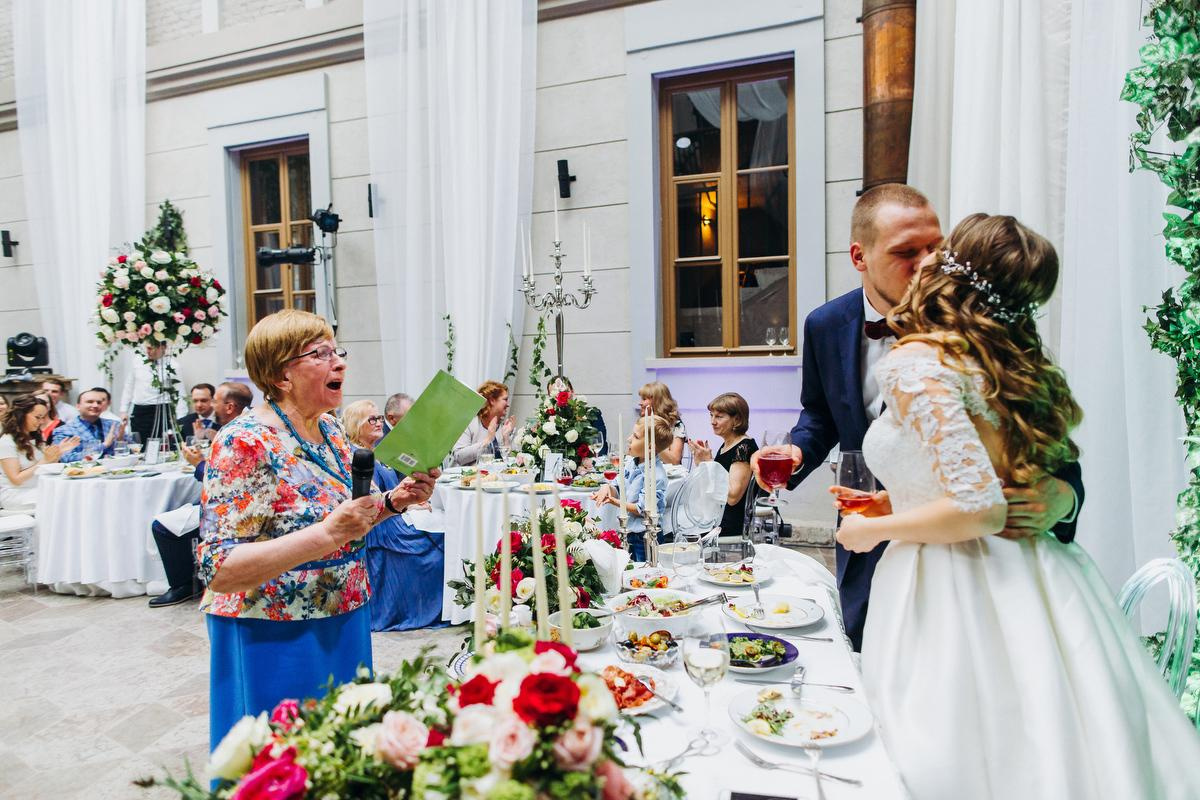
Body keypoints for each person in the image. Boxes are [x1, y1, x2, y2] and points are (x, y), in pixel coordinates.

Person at [835, 214, 1200, 798]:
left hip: (952, 587)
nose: (926, 258)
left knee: (951, 754)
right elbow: (978, 467)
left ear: (949, 270)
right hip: (1044, 582)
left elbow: (980, 506)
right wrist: (894, 498)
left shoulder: (917, 360)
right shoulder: (1013, 359)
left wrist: (868, 532)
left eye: (940, 248)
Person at [750, 184, 1084, 651]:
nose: (928, 263)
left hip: (980, 560)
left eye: (936, 248)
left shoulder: (974, 324)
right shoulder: (825, 324)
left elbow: (1032, 429)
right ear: (859, 257)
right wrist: (798, 449)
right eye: (907, 252)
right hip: (868, 532)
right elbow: (822, 413)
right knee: (865, 657)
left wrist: (1065, 497)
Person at [197, 309, 437, 751]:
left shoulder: (328, 429)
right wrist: (327, 535)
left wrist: (394, 501)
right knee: (288, 757)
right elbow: (220, 568)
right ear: (281, 375)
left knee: (342, 748)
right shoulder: (244, 440)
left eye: (337, 351)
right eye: (321, 354)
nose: (340, 363)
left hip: (343, 612)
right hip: (273, 628)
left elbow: (348, 517)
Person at [149, 382, 254, 608]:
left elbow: (226, 481)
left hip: (233, 510)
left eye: (215, 400)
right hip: (235, 503)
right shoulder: (244, 424)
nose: (211, 405)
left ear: (229, 406)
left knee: (161, 525)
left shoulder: (236, 432)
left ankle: (182, 585)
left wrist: (198, 464)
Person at [343, 400, 446, 631]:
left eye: (380, 418)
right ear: (356, 424)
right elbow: (367, 500)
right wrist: (406, 507)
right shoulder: (356, 455)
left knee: (442, 530)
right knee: (435, 545)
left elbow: (394, 488)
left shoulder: (379, 451)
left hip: (393, 516)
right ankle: (421, 608)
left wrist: (412, 500)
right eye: (372, 419)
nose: (379, 423)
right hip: (379, 529)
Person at [590, 414, 670, 561]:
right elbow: (618, 486)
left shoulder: (656, 475)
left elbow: (642, 509)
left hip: (645, 535)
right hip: (629, 531)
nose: (629, 439)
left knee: (645, 572)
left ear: (651, 447)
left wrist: (614, 501)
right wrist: (607, 488)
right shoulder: (631, 462)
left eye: (635, 436)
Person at [689, 393, 757, 538]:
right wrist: (702, 463)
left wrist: (709, 464)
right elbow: (720, 480)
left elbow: (733, 497)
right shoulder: (728, 443)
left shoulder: (743, 447)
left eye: (719, 417)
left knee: (677, 529)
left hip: (728, 522)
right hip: (717, 514)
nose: (713, 421)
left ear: (737, 420)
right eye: (711, 415)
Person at [0, 395, 79, 509]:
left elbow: (45, 466)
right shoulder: (6, 442)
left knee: (71, 493)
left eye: (43, 417)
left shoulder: (35, 437)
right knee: (65, 500)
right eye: (38, 417)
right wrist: (45, 460)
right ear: (21, 415)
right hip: (17, 494)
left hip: (38, 488)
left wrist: (58, 453)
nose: (42, 421)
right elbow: (16, 479)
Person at [120, 342, 185, 446]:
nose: (148, 351)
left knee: (163, 445)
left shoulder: (173, 365)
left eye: (151, 348)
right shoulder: (137, 361)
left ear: (163, 348)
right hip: (140, 410)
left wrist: (181, 419)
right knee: (140, 445)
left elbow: (180, 393)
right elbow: (129, 386)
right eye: (147, 348)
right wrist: (124, 410)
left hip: (163, 409)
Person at [452, 380, 514, 466]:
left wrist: (506, 438)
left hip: (492, 478)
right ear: (492, 400)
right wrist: (487, 440)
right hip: (463, 477)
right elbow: (459, 456)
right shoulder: (470, 423)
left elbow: (508, 466)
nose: (508, 404)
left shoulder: (502, 428)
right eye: (505, 399)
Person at [52, 388, 124, 462]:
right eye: (90, 402)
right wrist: (104, 445)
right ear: (78, 406)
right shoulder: (64, 430)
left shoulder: (114, 425)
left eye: (99, 403)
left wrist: (121, 442)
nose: (95, 405)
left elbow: (131, 451)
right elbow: (66, 458)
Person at [637, 382, 686, 465]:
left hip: (668, 475)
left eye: (644, 399)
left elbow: (675, 460)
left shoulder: (675, 424)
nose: (640, 403)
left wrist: (653, 439)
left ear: (657, 402)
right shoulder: (643, 421)